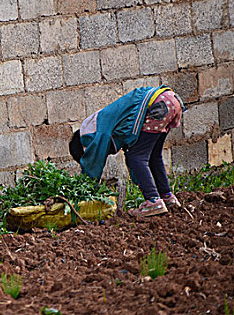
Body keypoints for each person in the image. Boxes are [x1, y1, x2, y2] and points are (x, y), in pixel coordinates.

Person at [68, 85, 186, 217]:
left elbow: (93, 162)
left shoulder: (90, 134)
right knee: (153, 155)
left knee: (136, 156)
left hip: (157, 105)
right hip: (168, 100)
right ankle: (167, 196)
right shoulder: (108, 125)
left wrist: (88, 185)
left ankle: (153, 201)